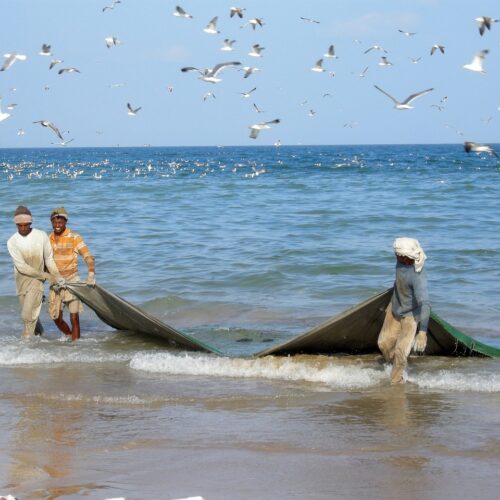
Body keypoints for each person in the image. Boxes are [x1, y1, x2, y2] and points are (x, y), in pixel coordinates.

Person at [377, 237, 430, 384]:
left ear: (406, 257)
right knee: (383, 344)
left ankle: (396, 383)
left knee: (401, 352)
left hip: (411, 315)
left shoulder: (417, 276)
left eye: (398, 255)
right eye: (396, 254)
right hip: (395, 307)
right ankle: (395, 366)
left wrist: (423, 332)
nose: (396, 256)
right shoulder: (400, 262)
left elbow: (425, 304)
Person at [7, 206, 63, 339]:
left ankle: (25, 344)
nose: (23, 228)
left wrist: (56, 276)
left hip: (37, 281)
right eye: (20, 225)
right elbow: (21, 267)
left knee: (27, 315)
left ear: (30, 223)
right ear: (16, 224)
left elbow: (49, 259)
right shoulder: (12, 242)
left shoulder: (41, 235)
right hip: (21, 281)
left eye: (26, 225)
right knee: (31, 315)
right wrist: (46, 275)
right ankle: (40, 337)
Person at [48, 207, 95, 341]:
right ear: (51, 222)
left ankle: (76, 346)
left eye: (60, 222)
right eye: (54, 222)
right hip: (55, 283)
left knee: (74, 317)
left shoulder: (75, 237)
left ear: (66, 222)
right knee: (56, 317)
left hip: (72, 281)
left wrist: (91, 274)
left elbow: (88, 257)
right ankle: (69, 336)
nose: (57, 226)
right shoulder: (48, 239)